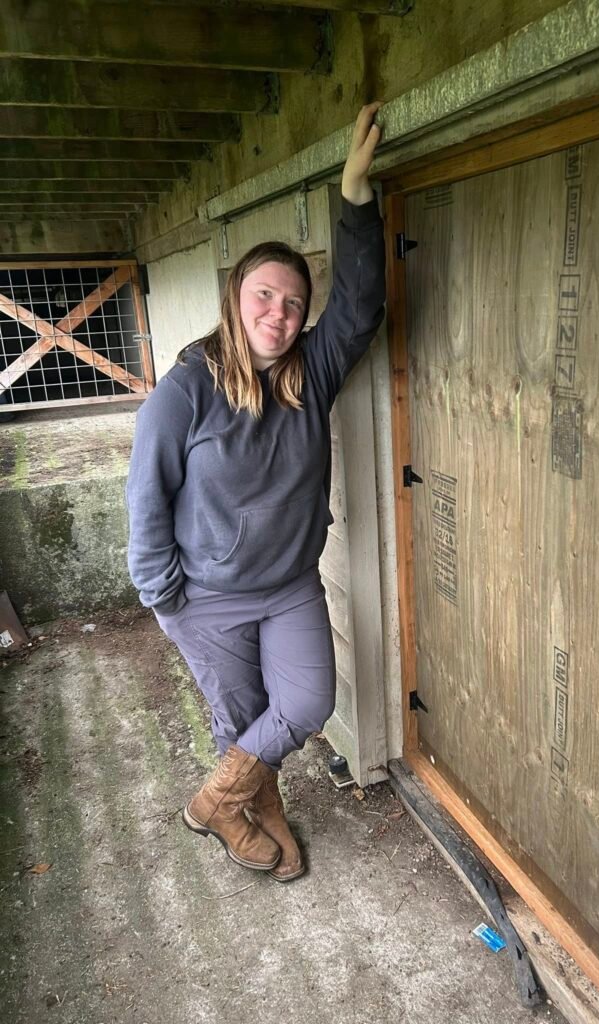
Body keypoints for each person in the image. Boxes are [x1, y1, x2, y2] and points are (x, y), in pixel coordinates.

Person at [125, 103, 385, 881]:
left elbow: (363, 306)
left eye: (294, 303)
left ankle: (216, 803)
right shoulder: (187, 390)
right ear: (237, 297)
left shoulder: (316, 369)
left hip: (290, 585)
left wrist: (354, 195)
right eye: (265, 296)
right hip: (207, 595)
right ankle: (256, 814)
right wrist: (166, 597)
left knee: (302, 706)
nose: (279, 313)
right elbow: (147, 497)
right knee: (239, 719)